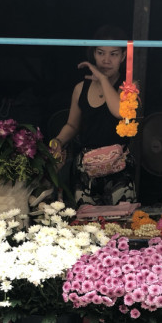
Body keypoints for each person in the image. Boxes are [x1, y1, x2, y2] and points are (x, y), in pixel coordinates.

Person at [50, 25, 137, 206]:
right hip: (87, 170)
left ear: (123, 57)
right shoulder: (80, 89)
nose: (106, 60)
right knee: (84, 226)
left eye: (113, 54)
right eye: (100, 53)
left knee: (119, 225)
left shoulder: (129, 87)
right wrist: (57, 142)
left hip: (118, 170)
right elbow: (72, 126)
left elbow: (121, 112)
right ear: (93, 54)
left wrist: (103, 80)